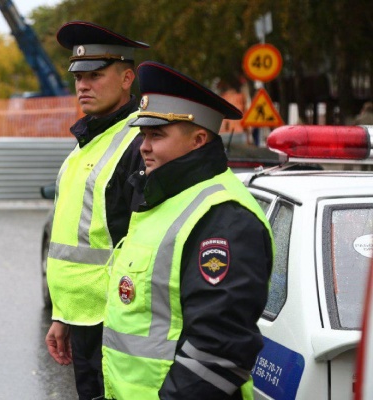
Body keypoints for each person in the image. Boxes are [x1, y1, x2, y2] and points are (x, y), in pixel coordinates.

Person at [101, 62, 274, 400]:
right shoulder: (165, 197)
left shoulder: (224, 218)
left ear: (198, 139)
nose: (143, 148)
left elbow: (220, 351)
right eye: (143, 135)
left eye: (157, 135)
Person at [44, 21, 149, 400]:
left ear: (126, 78)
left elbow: (145, 243)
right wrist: (62, 314)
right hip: (84, 316)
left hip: (120, 321)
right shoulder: (87, 142)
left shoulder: (140, 143)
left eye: (95, 75)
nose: (83, 85)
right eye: (78, 76)